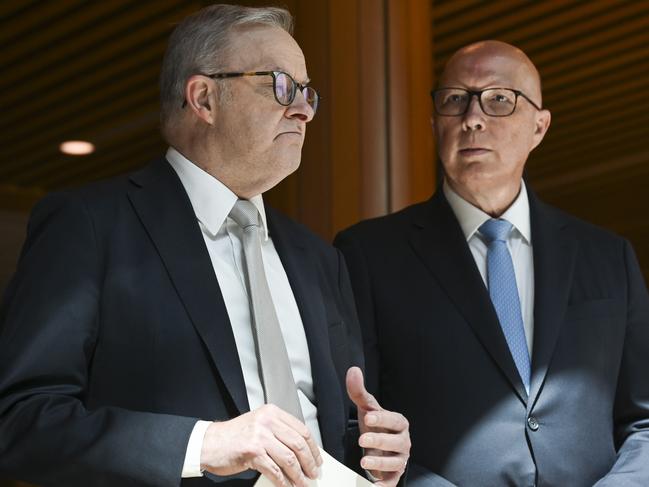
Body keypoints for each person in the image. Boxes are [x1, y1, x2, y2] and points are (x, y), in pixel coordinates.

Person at [0, 5, 410, 487]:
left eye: (307, 93)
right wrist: (203, 445)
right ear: (204, 98)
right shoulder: (89, 225)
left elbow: (337, 431)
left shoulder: (319, 259)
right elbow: (20, 422)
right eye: (280, 85)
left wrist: (378, 453)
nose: (301, 108)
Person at [335, 40, 649, 487]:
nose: (473, 118)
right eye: (454, 100)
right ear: (434, 122)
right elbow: (356, 425)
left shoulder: (609, 256)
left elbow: (645, 421)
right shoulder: (366, 253)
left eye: (499, 99)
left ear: (539, 127)